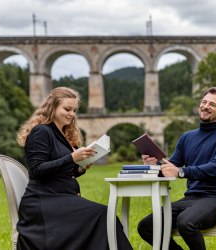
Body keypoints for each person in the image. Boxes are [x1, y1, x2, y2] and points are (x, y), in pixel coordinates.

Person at [16, 87, 132, 250]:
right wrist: (72, 158)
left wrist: (80, 167)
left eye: (74, 110)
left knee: (104, 214)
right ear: (52, 107)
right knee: (103, 214)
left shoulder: (61, 133)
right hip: (43, 201)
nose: (71, 114)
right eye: (67, 109)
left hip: (61, 197)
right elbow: (36, 171)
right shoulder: (41, 131)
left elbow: (60, 172)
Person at [137, 87, 216, 250]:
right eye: (204, 102)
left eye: (212, 104)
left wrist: (182, 171)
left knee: (186, 221)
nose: (205, 106)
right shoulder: (187, 137)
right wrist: (153, 165)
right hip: (191, 199)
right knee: (146, 226)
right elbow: (171, 167)